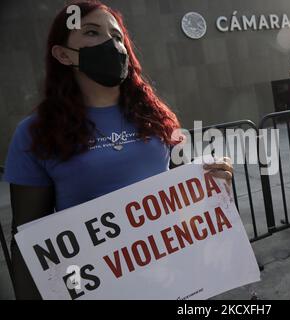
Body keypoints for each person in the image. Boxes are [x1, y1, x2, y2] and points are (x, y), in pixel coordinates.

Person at [3, 1, 233, 299]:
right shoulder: (35, 133)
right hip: (98, 287)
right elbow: (28, 241)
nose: (111, 44)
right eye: (91, 32)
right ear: (62, 54)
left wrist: (212, 179)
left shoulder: (156, 114)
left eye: (116, 36)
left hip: (172, 278)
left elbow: (183, 190)